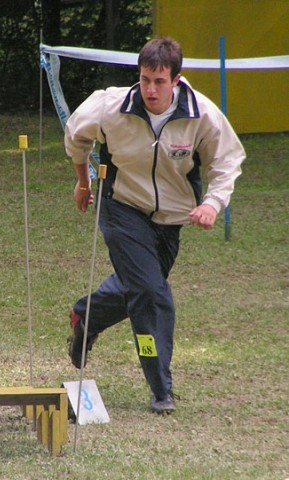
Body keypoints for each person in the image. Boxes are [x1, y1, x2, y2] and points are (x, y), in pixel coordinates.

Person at [64, 36, 245, 414]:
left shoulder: (202, 114)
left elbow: (227, 161)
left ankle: (87, 315)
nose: (150, 89)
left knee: (138, 287)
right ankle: (160, 386)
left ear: (176, 80)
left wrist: (212, 203)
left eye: (159, 81)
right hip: (122, 208)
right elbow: (76, 135)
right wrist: (83, 181)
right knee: (150, 292)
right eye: (145, 79)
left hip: (170, 222)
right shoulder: (110, 106)